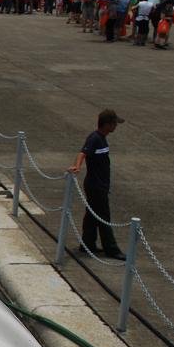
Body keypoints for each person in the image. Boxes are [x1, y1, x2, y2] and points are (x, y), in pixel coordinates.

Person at [68, 109, 126, 259]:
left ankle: (87, 244)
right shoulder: (95, 138)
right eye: (114, 123)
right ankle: (111, 249)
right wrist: (78, 166)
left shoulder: (102, 138)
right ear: (107, 124)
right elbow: (83, 153)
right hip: (96, 185)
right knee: (103, 217)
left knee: (92, 216)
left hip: (100, 184)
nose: (116, 126)